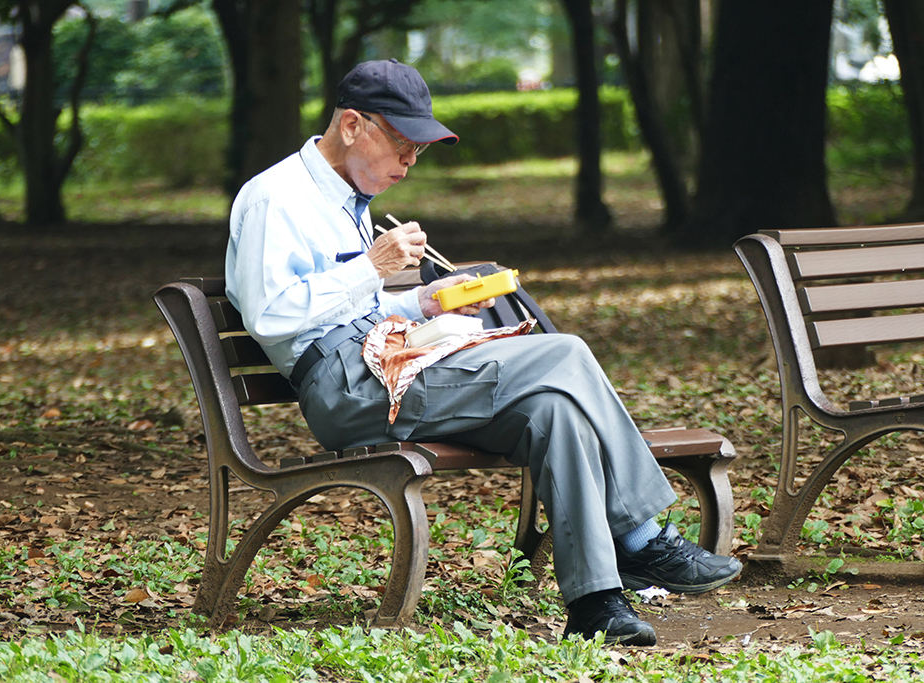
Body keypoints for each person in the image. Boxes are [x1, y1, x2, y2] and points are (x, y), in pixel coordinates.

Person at [225, 59, 741, 646]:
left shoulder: (346, 197)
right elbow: (270, 314)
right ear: (350, 125)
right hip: (346, 384)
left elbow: (349, 307)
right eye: (402, 145)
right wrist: (371, 267)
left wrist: (423, 302)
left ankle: (596, 604)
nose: (410, 163)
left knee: (556, 413)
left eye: (418, 150)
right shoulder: (277, 197)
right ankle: (644, 540)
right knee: (564, 354)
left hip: (385, 360)